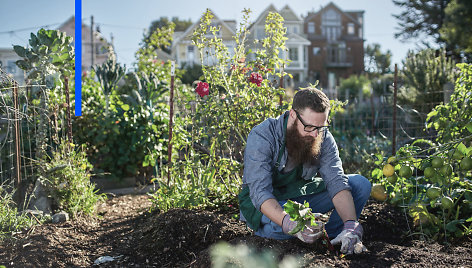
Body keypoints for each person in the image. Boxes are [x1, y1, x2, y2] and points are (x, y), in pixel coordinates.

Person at [238, 87, 371, 254]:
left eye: (321, 127)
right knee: (283, 229)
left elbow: (336, 180)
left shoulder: (322, 136)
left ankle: (335, 238)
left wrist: (351, 224)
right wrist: (289, 222)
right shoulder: (263, 136)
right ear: (293, 115)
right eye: (309, 127)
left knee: (360, 185)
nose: (315, 134)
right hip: (266, 202)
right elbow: (260, 192)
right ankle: (271, 233)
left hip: (299, 196)